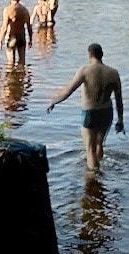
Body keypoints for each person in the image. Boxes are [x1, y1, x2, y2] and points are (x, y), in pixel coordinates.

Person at [46, 43, 124, 171]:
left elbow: (68, 91)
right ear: (102, 55)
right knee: (99, 144)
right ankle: (99, 168)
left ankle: (93, 178)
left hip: (90, 113)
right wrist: (120, 120)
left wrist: (54, 101)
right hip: (106, 113)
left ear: (89, 55)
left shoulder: (85, 71)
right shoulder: (113, 73)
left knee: (90, 149)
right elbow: (119, 99)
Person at [0, 0, 33, 64]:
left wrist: (0, 41)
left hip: (11, 37)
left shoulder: (7, 10)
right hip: (21, 37)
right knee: (22, 61)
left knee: (10, 62)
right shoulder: (24, 10)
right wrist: (30, 40)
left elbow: (4, 27)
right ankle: (21, 75)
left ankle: (11, 75)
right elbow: (29, 26)